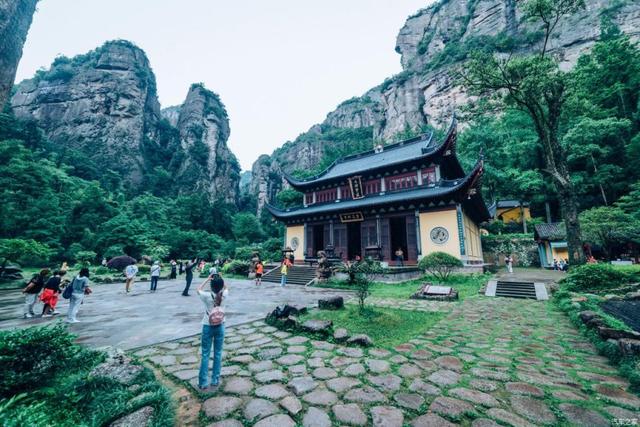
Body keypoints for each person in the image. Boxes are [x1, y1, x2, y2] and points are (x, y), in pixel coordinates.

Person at [197, 273, 228, 391]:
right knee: (218, 353)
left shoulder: (206, 295)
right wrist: (221, 278)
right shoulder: (224, 294)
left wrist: (208, 279)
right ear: (221, 286)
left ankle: (203, 382)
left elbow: (198, 289)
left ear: (211, 286)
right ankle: (215, 380)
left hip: (207, 325)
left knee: (205, 354)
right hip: (221, 325)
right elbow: (226, 288)